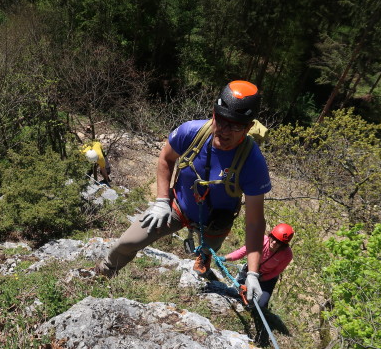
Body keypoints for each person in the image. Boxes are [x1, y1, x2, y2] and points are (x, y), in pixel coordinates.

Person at [96, 80, 271, 304]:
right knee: (127, 242)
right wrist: (161, 201)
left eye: (235, 126)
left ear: (248, 127)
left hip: (216, 222)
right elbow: (166, 159)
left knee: (208, 250)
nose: (224, 131)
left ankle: (203, 259)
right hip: (177, 206)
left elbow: (255, 223)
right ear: (213, 114)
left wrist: (253, 273)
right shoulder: (192, 132)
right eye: (221, 120)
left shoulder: (252, 162)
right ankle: (103, 273)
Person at [217, 223, 294, 309]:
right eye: (274, 238)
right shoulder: (260, 240)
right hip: (250, 270)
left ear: (283, 245)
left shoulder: (287, 255)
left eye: (279, 242)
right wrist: (225, 258)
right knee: (237, 293)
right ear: (270, 235)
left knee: (260, 304)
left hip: (267, 278)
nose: (274, 242)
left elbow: (276, 272)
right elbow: (243, 251)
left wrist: (261, 279)